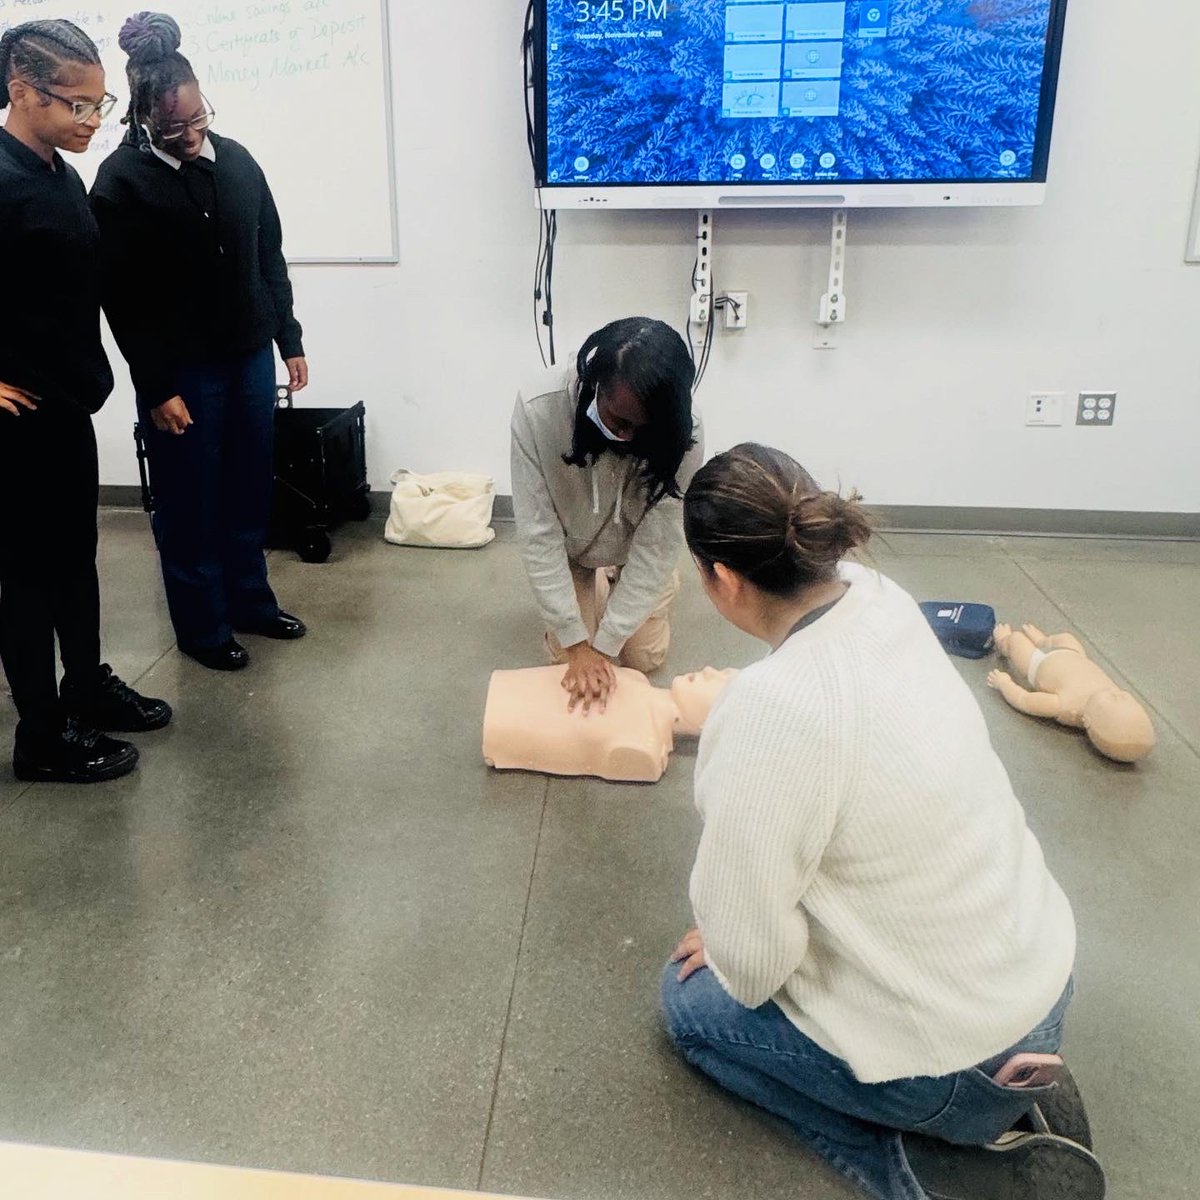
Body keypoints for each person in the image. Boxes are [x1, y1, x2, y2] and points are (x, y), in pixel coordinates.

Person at [660, 444, 1103, 1200]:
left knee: (687, 1002)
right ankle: (1004, 1099)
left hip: (951, 1059)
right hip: (1041, 985)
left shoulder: (767, 713)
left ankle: (933, 1164)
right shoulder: (876, 594)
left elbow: (755, 967)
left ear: (722, 579)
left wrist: (729, 936)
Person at [90, 12, 308, 673]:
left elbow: (268, 255)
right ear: (142, 117)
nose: (189, 135)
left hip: (247, 358)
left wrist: (289, 339)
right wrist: (156, 387)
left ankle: (250, 602)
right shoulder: (120, 182)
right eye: (172, 127)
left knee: (247, 488)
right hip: (182, 372)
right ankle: (202, 626)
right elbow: (121, 299)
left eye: (197, 119)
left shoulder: (238, 161)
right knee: (188, 503)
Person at [0, 20, 171, 784]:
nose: (92, 122)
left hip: (66, 406)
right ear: (20, 91)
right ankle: (40, 734)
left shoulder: (57, 171)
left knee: (75, 560)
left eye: (100, 105)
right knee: (29, 577)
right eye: (76, 105)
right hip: (17, 422)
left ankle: (85, 685)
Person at [511, 317, 703, 714]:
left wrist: (606, 643)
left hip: (636, 545)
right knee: (567, 663)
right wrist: (578, 645)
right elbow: (538, 533)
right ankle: (594, 582)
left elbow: (660, 538)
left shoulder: (683, 432)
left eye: (643, 428)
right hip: (570, 545)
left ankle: (635, 583)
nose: (630, 437)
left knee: (641, 659)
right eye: (619, 421)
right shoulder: (538, 409)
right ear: (594, 383)